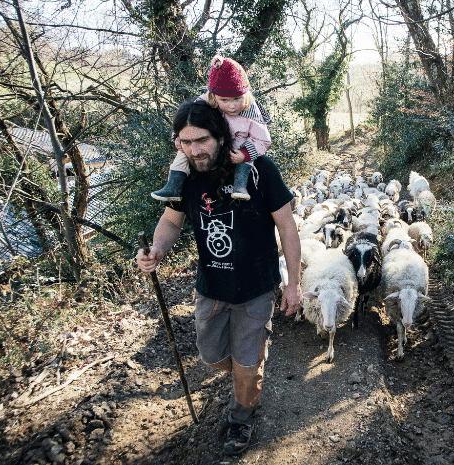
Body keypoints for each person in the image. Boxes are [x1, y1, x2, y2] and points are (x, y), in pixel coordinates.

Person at [136, 97, 302, 455]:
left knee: (246, 366)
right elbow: (170, 221)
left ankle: (242, 416)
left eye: (202, 140)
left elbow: (288, 227)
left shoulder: (259, 170)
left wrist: (294, 284)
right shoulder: (185, 178)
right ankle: (248, 373)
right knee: (210, 357)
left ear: (220, 136)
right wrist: (157, 250)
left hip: (256, 288)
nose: (194, 150)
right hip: (211, 288)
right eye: (185, 141)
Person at [151, 55, 272, 202]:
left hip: (237, 146)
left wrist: (245, 154)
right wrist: (177, 137)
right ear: (214, 97)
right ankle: (173, 186)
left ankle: (240, 187)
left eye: (237, 99)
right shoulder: (205, 101)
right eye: (224, 100)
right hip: (214, 146)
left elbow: (263, 140)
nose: (232, 106)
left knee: (246, 156)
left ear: (245, 95)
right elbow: (187, 119)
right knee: (184, 152)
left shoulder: (251, 113)